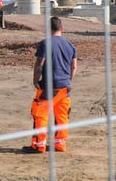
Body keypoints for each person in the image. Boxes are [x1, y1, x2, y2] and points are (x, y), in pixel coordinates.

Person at [26, 16, 78, 154]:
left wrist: (36, 80)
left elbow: (39, 64)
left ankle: (39, 145)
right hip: (65, 87)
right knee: (62, 116)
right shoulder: (70, 45)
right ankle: (60, 144)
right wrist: (68, 80)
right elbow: (74, 67)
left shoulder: (45, 43)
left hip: (49, 86)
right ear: (62, 28)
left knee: (41, 115)